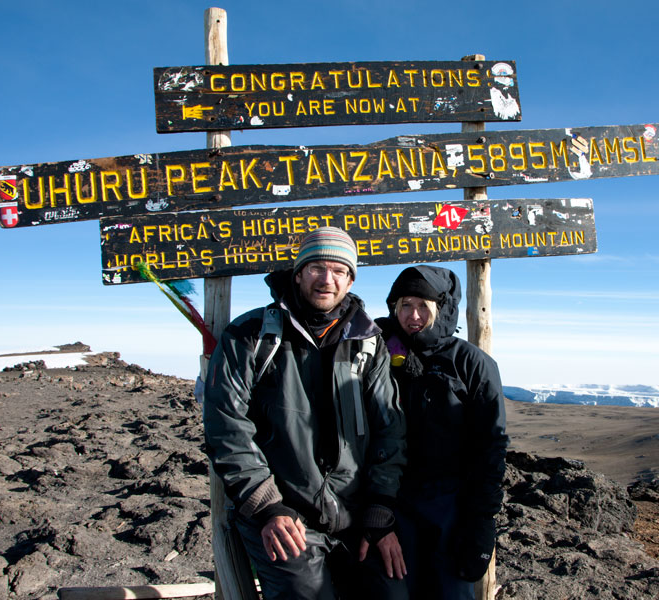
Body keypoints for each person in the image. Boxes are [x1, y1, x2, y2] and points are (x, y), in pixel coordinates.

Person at [203, 227, 408, 600]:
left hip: (354, 515)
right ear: (298, 273)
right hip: (283, 513)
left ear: (350, 280)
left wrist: (379, 509)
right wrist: (267, 506)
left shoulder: (368, 341)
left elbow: (388, 428)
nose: (326, 280)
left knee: (392, 593)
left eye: (339, 271)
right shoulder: (251, 335)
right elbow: (226, 424)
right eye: (316, 267)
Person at [376, 265, 508, 600]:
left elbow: (491, 445)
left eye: (424, 305)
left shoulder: (470, 363)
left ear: (442, 307)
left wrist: (481, 521)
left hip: (452, 506)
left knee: (450, 591)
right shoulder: (377, 351)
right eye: (405, 305)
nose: (414, 315)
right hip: (393, 502)